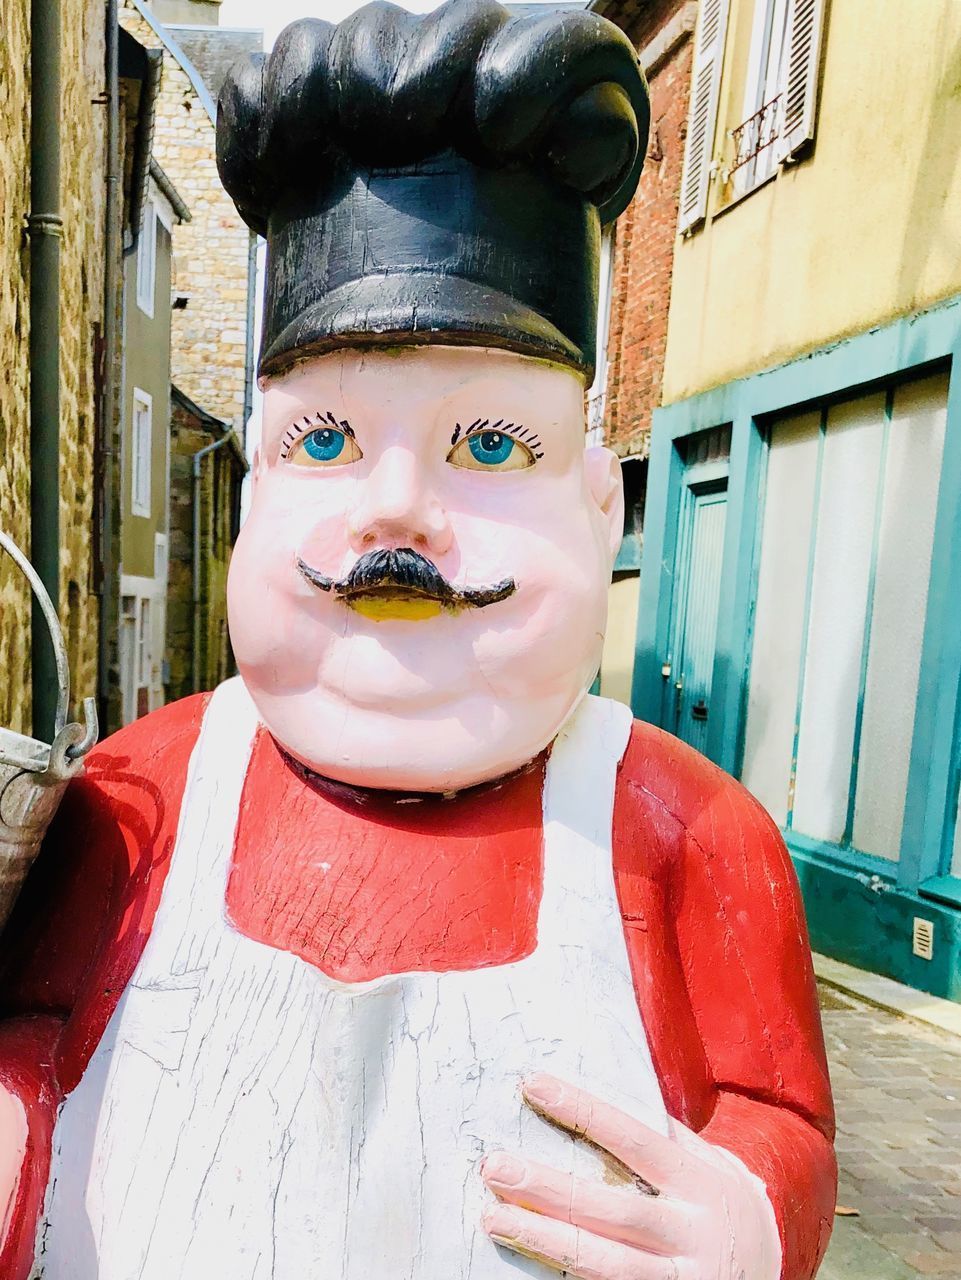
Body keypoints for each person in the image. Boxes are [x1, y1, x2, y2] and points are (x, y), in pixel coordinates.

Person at [0, 3, 836, 1277]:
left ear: (596, 504)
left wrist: (750, 1216)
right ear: (256, 487)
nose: (393, 509)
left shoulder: (690, 837)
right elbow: (34, 1027)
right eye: (326, 440)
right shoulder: (136, 803)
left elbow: (777, 1117)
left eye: (488, 444)